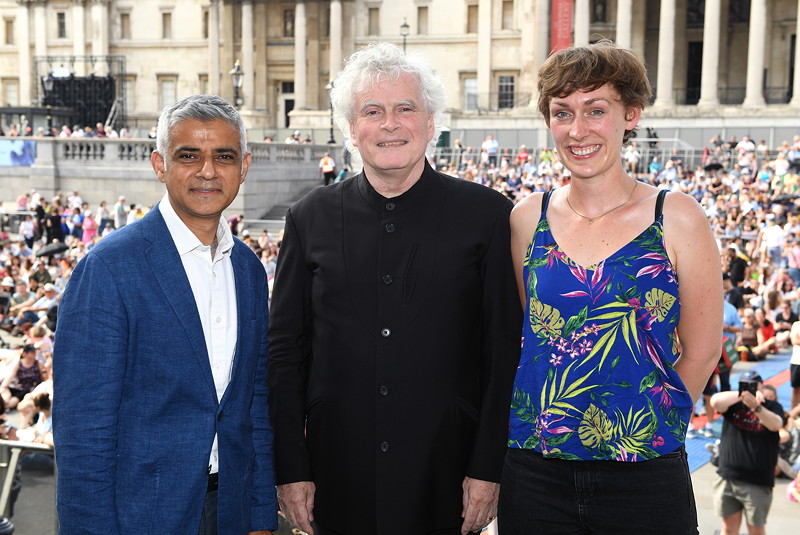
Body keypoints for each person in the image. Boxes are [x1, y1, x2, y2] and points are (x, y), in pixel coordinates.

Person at [268, 43, 521, 535]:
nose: (390, 124)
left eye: (406, 108)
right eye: (373, 111)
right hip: (336, 470)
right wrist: (292, 468)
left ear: (431, 124)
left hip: (446, 469)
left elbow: (503, 350)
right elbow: (285, 352)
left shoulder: (487, 215)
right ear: (350, 129)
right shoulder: (308, 218)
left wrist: (489, 466)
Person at [499, 41, 723, 534]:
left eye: (596, 110)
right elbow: (535, 341)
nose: (577, 131)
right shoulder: (524, 219)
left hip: (644, 477)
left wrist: (647, 423)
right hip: (535, 472)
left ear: (631, 115)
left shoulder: (677, 217)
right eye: (562, 113)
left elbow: (705, 349)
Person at [53, 94, 277, 534]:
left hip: (229, 510)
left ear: (244, 168)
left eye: (224, 157)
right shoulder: (109, 268)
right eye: (188, 156)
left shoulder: (249, 270)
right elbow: (84, 434)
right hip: (139, 517)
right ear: (160, 165)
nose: (208, 171)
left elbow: (253, 407)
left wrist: (259, 514)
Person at [710, 371, 784, 535]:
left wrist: (756, 407)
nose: (748, 388)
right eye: (744, 384)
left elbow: (776, 424)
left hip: (757, 481)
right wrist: (741, 395)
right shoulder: (733, 404)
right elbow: (715, 402)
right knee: (728, 528)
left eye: (752, 384)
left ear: (761, 386)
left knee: (756, 529)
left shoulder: (772, 406)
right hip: (728, 477)